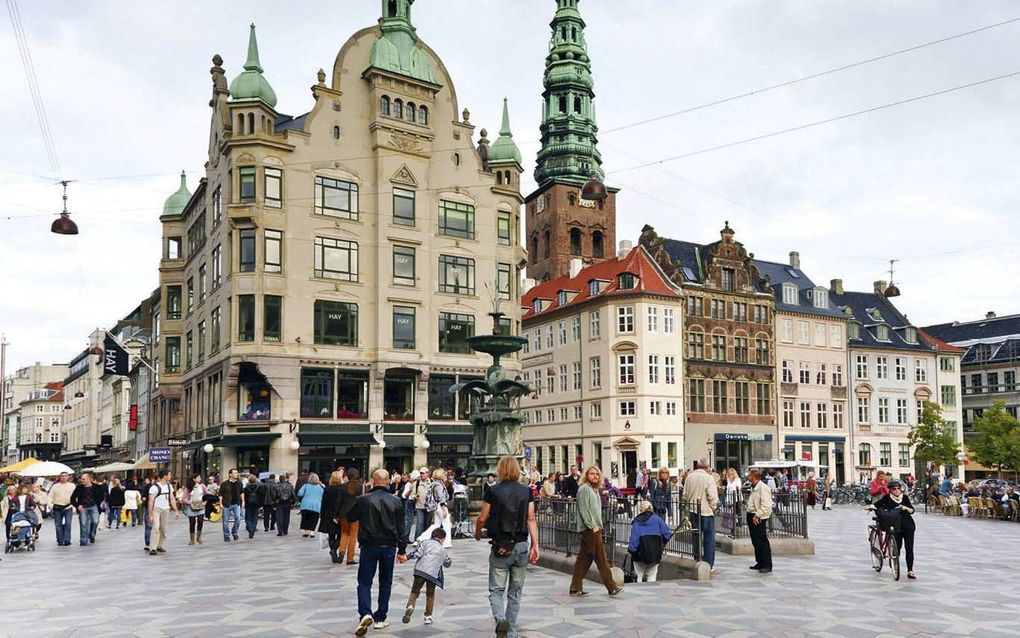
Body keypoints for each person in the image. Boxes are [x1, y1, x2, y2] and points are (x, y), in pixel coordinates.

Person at [475, 455, 540, 638]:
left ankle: (500, 618)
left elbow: (482, 517)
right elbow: (531, 519)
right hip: (520, 545)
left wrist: (478, 532)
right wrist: (535, 545)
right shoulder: (526, 491)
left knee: (496, 590)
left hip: (501, 546)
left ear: (500, 470)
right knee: (515, 592)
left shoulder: (493, 491)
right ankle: (510, 633)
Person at [348, 469, 407, 636]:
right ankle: (380, 617)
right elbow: (402, 528)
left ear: (373, 481)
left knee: (365, 581)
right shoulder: (396, 501)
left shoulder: (363, 500)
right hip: (388, 546)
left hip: (368, 545)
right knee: (385, 581)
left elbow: (351, 516)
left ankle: (365, 613)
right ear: (388, 481)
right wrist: (402, 550)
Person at [570, 465, 623, 598]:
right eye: (592, 474)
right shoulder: (584, 489)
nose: (595, 476)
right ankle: (611, 586)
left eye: (597, 474)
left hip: (594, 527)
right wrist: (591, 525)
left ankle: (575, 587)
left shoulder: (594, 490)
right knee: (601, 558)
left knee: (584, 559)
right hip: (590, 529)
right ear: (586, 475)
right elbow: (583, 509)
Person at [402, 527, 453, 626]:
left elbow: (417, 553)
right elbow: (447, 563)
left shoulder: (425, 542)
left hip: (420, 571)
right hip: (433, 575)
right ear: (442, 539)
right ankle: (428, 616)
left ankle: (410, 605)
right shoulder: (443, 550)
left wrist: (406, 557)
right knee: (430, 594)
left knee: (415, 591)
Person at [683, 457, 720, 572]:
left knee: (696, 537)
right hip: (706, 512)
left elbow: (684, 495)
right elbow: (713, 497)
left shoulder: (689, 477)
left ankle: (697, 560)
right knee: (708, 539)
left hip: (693, 511)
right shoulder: (708, 478)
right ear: (707, 467)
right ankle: (708, 564)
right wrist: (713, 508)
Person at [874, 480, 917, 579]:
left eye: (899, 488)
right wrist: (870, 506)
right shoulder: (887, 498)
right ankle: (894, 563)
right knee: (897, 547)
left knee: (909, 548)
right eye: (894, 489)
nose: (897, 490)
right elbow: (876, 505)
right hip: (895, 526)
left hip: (908, 525)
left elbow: (912, 510)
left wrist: (905, 508)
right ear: (890, 490)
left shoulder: (904, 497)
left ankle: (910, 570)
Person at [627, 500, 672, 582]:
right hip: (655, 553)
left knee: (638, 575)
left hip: (640, 554)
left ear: (641, 510)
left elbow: (634, 539)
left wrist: (631, 550)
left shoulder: (636, 522)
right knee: (652, 575)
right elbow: (667, 534)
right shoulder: (658, 520)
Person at [746, 469, 773, 573]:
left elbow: (766, 504)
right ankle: (760, 561)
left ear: (753, 476)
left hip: (758, 516)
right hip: (751, 514)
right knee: (755, 540)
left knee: (761, 540)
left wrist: (758, 515)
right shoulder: (754, 487)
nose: (747, 476)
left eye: (749, 475)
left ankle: (767, 564)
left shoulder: (763, 488)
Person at [147, 470, 179, 555]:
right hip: (156, 509)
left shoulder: (169, 486)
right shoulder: (154, 487)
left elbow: (172, 499)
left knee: (163, 528)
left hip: (166, 509)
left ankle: (160, 545)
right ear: (164, 476)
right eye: (169, 475)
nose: (170, 476)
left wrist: (176, 510)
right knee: (156, 527)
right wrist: (150, 515)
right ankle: (153, 548)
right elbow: (150, 501)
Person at [418, 468, 452, 548]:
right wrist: (444, 508)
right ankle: (446, 542)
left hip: (436, 507)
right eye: (444, 474)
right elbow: (441, 497)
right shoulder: (439, 485)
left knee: (436, 524)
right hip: (440, 506)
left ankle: (422, 538)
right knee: (446, 524)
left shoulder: (434, 484)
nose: (445, 475)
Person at [71, 471, 104, 546]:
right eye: (81, 479)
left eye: (83, 479)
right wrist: (77, 505)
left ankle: (92, 534)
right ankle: (83, 540)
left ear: (89, 479)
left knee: (95, 522)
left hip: (93, 506)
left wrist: (97, 503)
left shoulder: (97, 487)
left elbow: (101, 496)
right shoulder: (79, 488)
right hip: (83, 507)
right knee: (83, 523)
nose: (81, 481)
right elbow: (72, 498)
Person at [319, 470, 345, 564]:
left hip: (328, 513)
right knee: (340, 534)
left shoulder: (327, 489)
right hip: (339, 514)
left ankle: (333, 550)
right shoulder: (342, 489)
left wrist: (321, 514)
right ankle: (335, 549)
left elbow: (323, 503)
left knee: (331, 534)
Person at [49, 471, 76, 546]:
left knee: (68, 523)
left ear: (68, 477)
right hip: (57, 507)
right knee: (58, 524)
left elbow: (75, 496)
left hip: (68, 506)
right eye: (62, 476)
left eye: (65, 476)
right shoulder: (55, 486)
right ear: (59, 477)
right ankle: (60, 539)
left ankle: (67, 539)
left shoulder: (72, 485)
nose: (64, 477)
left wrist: (75, 506)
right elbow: (50, 496)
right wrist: (50, 505)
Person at [219, 468, 244, 542]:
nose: (237, 474)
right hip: (227, 504)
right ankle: (226, 535)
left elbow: (241, 492)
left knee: (238, 518)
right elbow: (220, 494)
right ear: (230, 474)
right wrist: (220, 503)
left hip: (236, 503)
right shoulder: (224, 484)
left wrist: (243, 501)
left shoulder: (239, 483)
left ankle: (234, 532)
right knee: (225, 521)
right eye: (235, 473)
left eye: (237, 473)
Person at [297, 472, 325, 538]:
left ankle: (306, 532)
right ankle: (312, 532)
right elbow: (323, 495)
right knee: (314, 519)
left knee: (305, 519)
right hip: (316, 506)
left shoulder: (306, 485)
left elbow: (300, 493)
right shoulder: (320, 487)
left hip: (306, 505)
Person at [409, 467, 432, 540]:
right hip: (419, 506)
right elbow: (411, 495)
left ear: (427, 473)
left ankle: (427, 539)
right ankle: (417, 539)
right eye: (420, 473)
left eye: (423, 473)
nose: (421, 474)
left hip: (430, 507)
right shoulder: (417, 483)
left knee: (428, 524)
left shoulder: (432, 482)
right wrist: (414, 497)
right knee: (419, 524)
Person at [184, 474, 207, 545]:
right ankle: (192, 539)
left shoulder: (202, 486)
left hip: (201, 506)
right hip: (191, 507)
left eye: (200, 477)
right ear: (194, 479)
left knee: (200, 521)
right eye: (198, 477)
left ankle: (199, 537)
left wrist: (205, 502)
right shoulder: (188, 488)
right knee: (192, 522)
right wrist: (189, 502)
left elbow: (207, 495)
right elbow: (183, 498)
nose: (200, 478)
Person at [243, 474, 261, 539]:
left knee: (248, 518)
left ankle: (250, 528)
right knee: (254, 518)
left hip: (248, 504)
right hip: (256, 504)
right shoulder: (259, 487)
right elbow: (260, 496)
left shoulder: (245, 488)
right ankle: (253, 529)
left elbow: (244, 497)